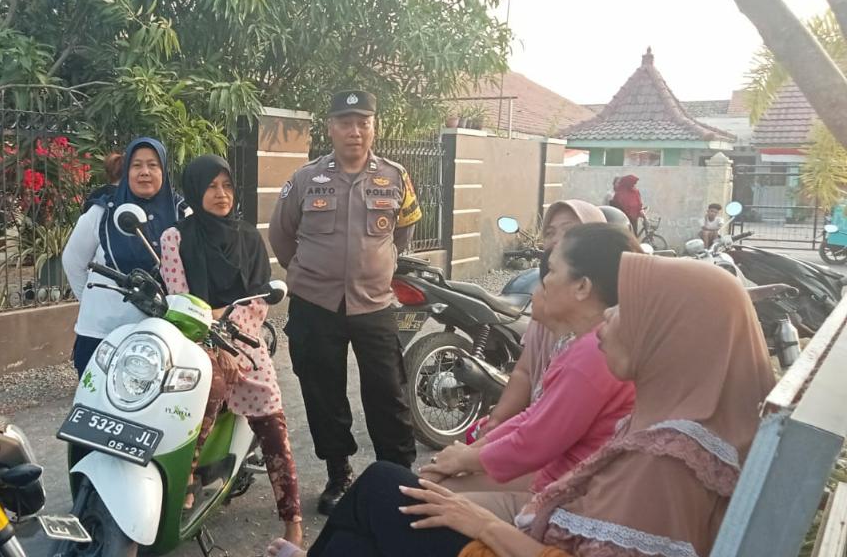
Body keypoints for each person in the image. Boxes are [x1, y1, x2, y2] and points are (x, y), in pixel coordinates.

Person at [267, 249, 775, 557]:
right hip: (536, 518)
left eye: (631, 311)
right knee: (379, 513)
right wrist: (480, 453)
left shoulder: (668, 461)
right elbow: (528, 396)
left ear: (670, 337)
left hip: (521, 531)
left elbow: (538, 439)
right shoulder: (667, 423)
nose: (610, 319)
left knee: (383, 488)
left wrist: (481, 521)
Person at [417, 224, 639, 522]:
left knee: (419, 496)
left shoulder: (594, 353)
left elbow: (535, 442)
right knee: (428, 487)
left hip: (567, 500)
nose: (543, 282)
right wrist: (470, 453)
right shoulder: (581, 344)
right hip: (553, 480)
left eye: (552, 271)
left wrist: (466, 458)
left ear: (582, 287)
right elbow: (533, 417)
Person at [268, 89, 422, 514]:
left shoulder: (395, 177)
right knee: (324, 393)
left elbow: (404, 230)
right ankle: (339, 474)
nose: (355, 131)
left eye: (363, 122)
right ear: (331, 128)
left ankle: (397, 476)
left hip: (374, 304)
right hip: (316, 305)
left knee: (387, 391)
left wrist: (380, 264)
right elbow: (281, 234)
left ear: (374, 127)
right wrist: (311, 272)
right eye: (345, 122)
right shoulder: (306, 179)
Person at [159, 154, 302, 546]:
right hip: (194, 339)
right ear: (194, 191)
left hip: (245, 340)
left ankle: (292, 520)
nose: (221, 194)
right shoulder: (174, 239)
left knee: (273, 421)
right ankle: (187, 477)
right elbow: (179, 300)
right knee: (203, 385)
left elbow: (258, 302)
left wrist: (228, 336)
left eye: (226, 186)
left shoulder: (249, 237)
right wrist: (211, 337)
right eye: (211, 186)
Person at [471, 200, 607, 440]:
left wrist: (481, 452)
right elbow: (525, 371)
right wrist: (496, 423)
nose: (556, 241)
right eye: (550, 233)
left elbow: (547, 435)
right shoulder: (549, 311)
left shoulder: (601, 338)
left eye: (569, 230)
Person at [63, 138, 182, 376]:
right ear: (126, 172)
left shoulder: (180, 212)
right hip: (102, 333)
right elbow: (73, 262)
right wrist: (92, 301)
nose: (145, 172)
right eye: (136, 165)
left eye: (153, 165)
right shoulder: (102, 212)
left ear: (164, 171)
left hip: (161, 333)